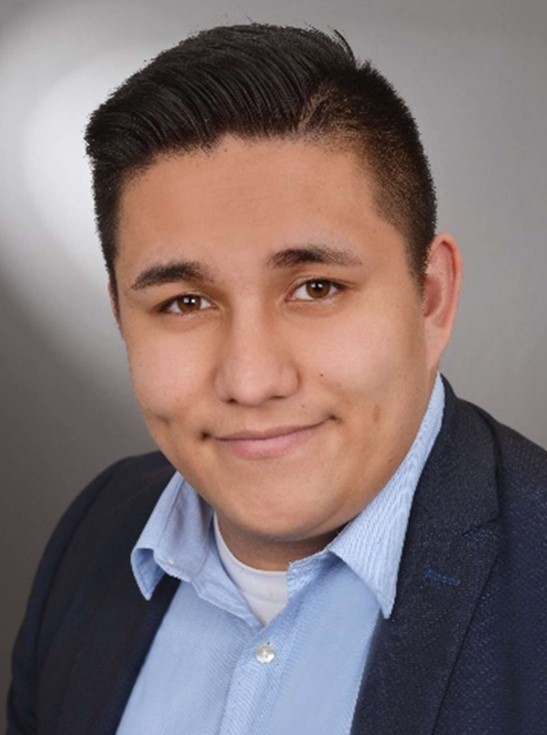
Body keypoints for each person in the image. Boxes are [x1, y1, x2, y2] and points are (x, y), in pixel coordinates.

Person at [7, 23, 547, 735]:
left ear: (430, 299)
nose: (252, 380)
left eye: (316, 288)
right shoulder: (97, 531)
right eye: (184, 302)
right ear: (121, 318)